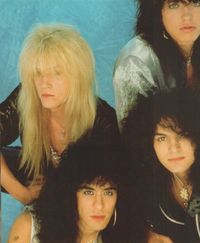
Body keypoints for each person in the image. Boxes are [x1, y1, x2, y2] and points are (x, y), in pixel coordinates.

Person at [0, 23, 120, 204]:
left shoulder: (103, 121)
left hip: (83, 200)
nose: (44, 83)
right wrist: (22, 193)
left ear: (78, 77)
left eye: (57, 73)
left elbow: (102, 195)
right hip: (39, 175)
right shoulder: (27, 96)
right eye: (38, 73)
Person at [122, 88, 200, 242]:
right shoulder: (151, 183)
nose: (173, 148)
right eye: (161, 138)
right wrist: (148, 236)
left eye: (182, 135)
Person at [113, 0, 200, 127]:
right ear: (158, 12)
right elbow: (136, 140)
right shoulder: (136, 62)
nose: (187, 16)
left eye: (197, 3)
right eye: (174, 5)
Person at [7, 143, 127, 243]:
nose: (100, 205)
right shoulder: (29, 227)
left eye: (108, 193)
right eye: (88, 192)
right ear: (70, 194)